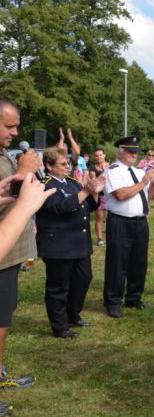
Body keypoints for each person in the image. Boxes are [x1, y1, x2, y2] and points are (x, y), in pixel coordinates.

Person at [35, 146, 104, 338]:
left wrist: (95, 193)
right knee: (59, 286)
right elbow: (63, 207)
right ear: (49, 166)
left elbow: (88, 206)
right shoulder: (45, 185)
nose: (68, 167)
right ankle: (59, 326)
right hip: (59, 245)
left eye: (69, 163)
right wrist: (86, 191)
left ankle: (73, 314)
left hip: (79, 243)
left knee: (83, 279)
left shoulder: (73, 183)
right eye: (63, 164)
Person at [0, 99, 43, 396]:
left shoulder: (3, 153)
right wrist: (24, 172)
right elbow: (19, 195)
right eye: (9, 126)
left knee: (3, 320)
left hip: (10, 252)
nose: (15, 132)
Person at [102, 136, 154, 318]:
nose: (134, 154)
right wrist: (143, 183)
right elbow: (120, 194)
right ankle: (112, 301)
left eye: (136, 151)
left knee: (138, 262)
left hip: (140, 222)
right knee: (117, 263)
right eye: (130, 151)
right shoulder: (113, 171)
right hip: (120, 221)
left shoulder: (138, 171)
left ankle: (134, 297)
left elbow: (152, 196)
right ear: (120, 152)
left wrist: (153, 184)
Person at [89, 148, 109, 246]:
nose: (99, 157)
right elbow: (94, 180)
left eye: (100, 155)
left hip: (112, 195)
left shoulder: (111, 165)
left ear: (104, 155)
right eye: (97, 155)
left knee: (114, 217)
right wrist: (105, 171)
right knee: (100, 217)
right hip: (100, 195)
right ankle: (100, 238)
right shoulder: (93, 168)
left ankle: (112, 235)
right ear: (94, 157)